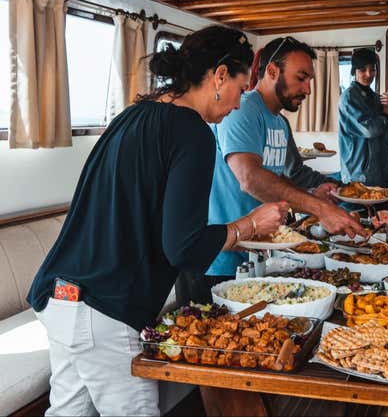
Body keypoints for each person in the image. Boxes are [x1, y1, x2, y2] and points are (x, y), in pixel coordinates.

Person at [26, 26, 289, 416]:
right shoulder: (193, 131)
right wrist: (248, 225)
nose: (239, 102)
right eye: (240, 85)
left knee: (68, 412)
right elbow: (182, 247)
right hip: (104, 309)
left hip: (61, 295)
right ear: (219, 76)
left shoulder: (131, 116)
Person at [202, 36, 364, 287]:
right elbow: (250, 178)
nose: (308, 89)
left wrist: (319, 192)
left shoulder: (279, 121)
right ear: (272, 71)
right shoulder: (244, 110)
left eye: (310, 80)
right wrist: (319, 208)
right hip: (219, 259)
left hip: (256, 254)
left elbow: (286, 177)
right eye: (301, 78)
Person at [339, 47, 388, 190]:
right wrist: (386, 114)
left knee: (381, 213)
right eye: (362, 70)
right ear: (354, 71)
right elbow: (369, 130)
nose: (368, 74)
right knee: (359, 213)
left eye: (372, 69)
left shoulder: (377, 98)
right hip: (358, 175)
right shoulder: (348, 97)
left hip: (381, 173)